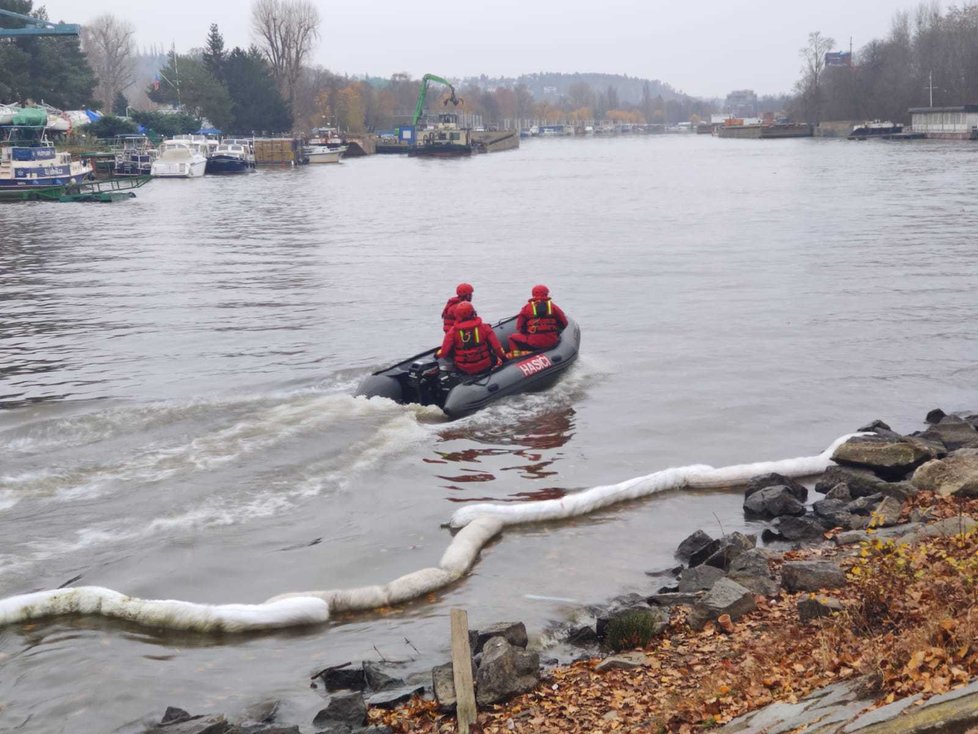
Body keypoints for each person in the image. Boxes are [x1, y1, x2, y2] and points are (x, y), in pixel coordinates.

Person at [437, 301, 506, 375]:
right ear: (473, 312)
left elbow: (444, 352)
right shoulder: (484, 328)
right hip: (485, 365)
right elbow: (497, 347)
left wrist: (437, 355)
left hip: (463, 368)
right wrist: (504, 359)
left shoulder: (452, 332)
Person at [508, 284, 569, 353]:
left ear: (533, 294)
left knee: (511, 337)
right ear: (546, 293)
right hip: (552, 341)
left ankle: (516, 357)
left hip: (534, 343)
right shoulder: (553, 307)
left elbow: (519, 327)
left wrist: (528, 332)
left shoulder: (526, 308)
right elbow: (564, 323)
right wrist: (556, 332)